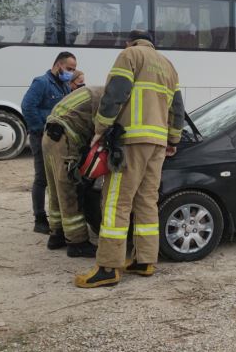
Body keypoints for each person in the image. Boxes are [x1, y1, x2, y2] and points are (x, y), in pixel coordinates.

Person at [74, 30, 185, 288]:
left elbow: (115, 94)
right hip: (157, 144)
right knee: (147, 200)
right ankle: (145, 260)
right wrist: (173, 140)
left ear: (129, 42)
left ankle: (108, 267)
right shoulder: (168, 65)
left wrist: (100, 129)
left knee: (116, 201)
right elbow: (177, 108)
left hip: (131, 141)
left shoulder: (129, 55)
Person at [43, 86, 105, 257]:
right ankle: (77, 243)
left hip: (50, 136)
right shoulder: (107, 99)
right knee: (70, 189)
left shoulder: (94, 91)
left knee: (56, 189)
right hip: (65, 139)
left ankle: (57, 234)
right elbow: (103, 128)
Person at [21, 51, 77, 234]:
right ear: (58, 65)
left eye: (73, 69)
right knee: (42, 178)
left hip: (57, 139)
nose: (71, 72)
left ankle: (56, 216)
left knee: (56, 177)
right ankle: (39, 219)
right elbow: (27, 106)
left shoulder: (64, 86)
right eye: (69, 68)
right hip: (42, 137)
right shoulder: (42, 82)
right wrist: (39, 129)